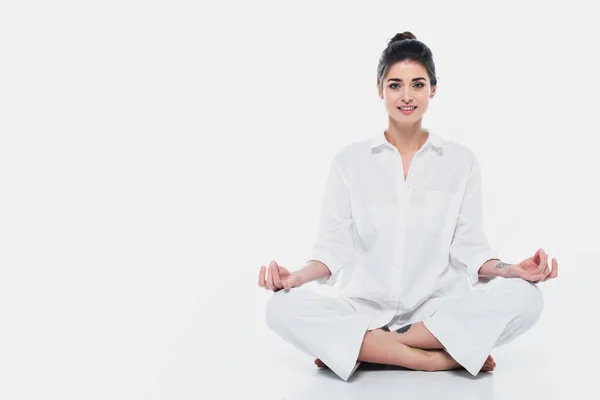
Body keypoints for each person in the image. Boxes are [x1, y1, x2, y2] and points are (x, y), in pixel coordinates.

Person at [257, 31, 558, 382]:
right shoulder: (349, 162)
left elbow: (470, 248)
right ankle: (436, 359)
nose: (406, 96)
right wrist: (295, 277)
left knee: (527, 298)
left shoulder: (461, 162)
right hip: (363, 306)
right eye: (395, 85)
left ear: (433, 89)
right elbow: (333, 247)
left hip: (435, 310)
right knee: (280, 308)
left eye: (417, 84)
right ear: (380, 89)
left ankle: (365, 348)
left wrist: (511, 270)